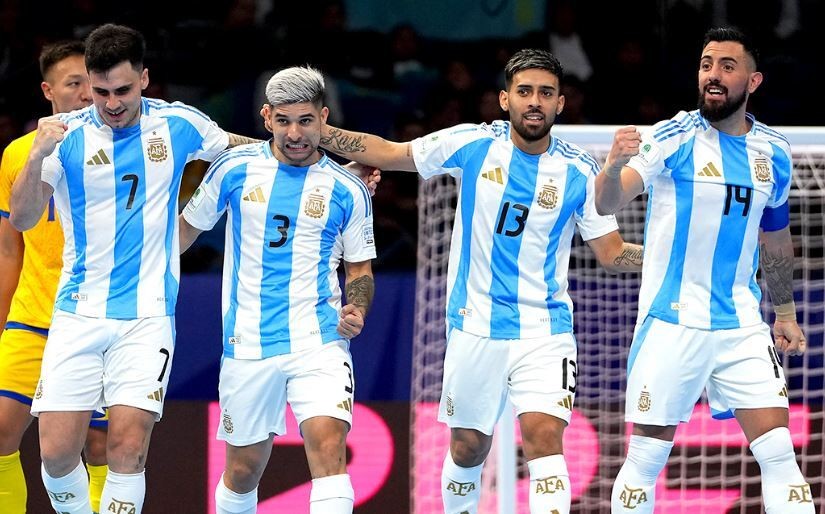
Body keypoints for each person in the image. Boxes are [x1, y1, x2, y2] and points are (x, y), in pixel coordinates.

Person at [320, 48, 642, 514]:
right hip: (475, 326)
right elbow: (391, 154)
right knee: (468, 448)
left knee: (545, 441)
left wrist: (668, 259)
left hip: (545, 331)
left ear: (560, 105)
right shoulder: (474, 144)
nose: (535, 101)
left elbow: (612, 253)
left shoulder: (579, 170)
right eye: (525, 91)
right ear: (505, 99)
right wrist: (321, 130)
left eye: (546, 93)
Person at [9, 24, 254, 514]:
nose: (111, 102)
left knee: (126, 447)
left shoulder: (180, 123)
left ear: (144, 78)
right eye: (100, 92)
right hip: (77, 313)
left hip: (147, 316)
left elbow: (247, 150)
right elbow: (22, 217)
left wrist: (319, 164)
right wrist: (36, 154)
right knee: (56, 454)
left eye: (122, 90)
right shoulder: (66, 136)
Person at [594, 27, 814, 514]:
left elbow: (774, 238)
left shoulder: (774, 153)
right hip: (672, 322)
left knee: (780, 456)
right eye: (706, 64)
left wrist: (785, 312)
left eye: (727, 66)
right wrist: (612, 167)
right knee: (646, 458)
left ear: (753, 81)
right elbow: (608, 201)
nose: (713, 75)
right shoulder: (674, 135)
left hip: (740, 324)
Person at [180, 65, 375, 514]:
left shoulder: (348, 188)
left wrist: (358, 309)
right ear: (266, 117)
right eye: (283, 121)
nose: (294, 133)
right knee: (243, 471)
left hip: (320, 340)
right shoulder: (232, 168)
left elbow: (360, 269)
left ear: (324, 118)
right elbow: (184, 233)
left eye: (305, 120)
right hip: (248, 343)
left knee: (329, 452)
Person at [0, 40, 109, 514]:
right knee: (1, 433)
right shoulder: (18, 154)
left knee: (100, 448)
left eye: (93, 81)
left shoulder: (125, 148)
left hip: (98, 323)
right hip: (33, 318)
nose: (88, 93)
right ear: (49, 91)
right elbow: (9, 249)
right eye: (75, 83)